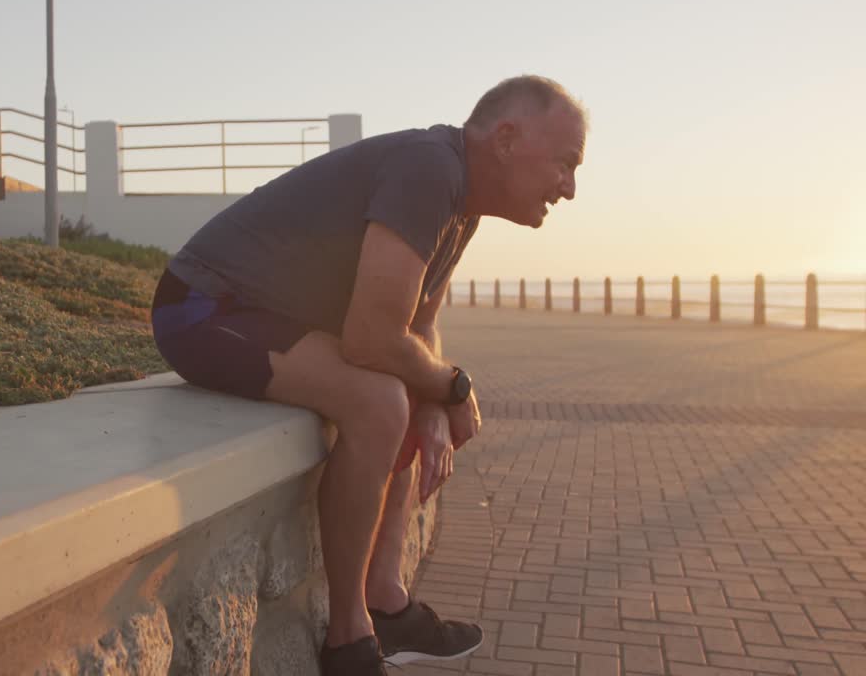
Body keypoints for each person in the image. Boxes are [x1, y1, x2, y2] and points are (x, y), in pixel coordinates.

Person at [150, 75, 587, 675]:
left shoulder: (461, 203)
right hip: (202, 306)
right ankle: (349, 640)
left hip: (264, 315)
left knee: (403, 393)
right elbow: (372, 339)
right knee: (380, 400)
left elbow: (416, 327)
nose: (569, 188)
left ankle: (385, 601)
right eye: (565, 163)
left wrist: (434, 401)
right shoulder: (428, 169)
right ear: (506, 140)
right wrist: (452, 385)